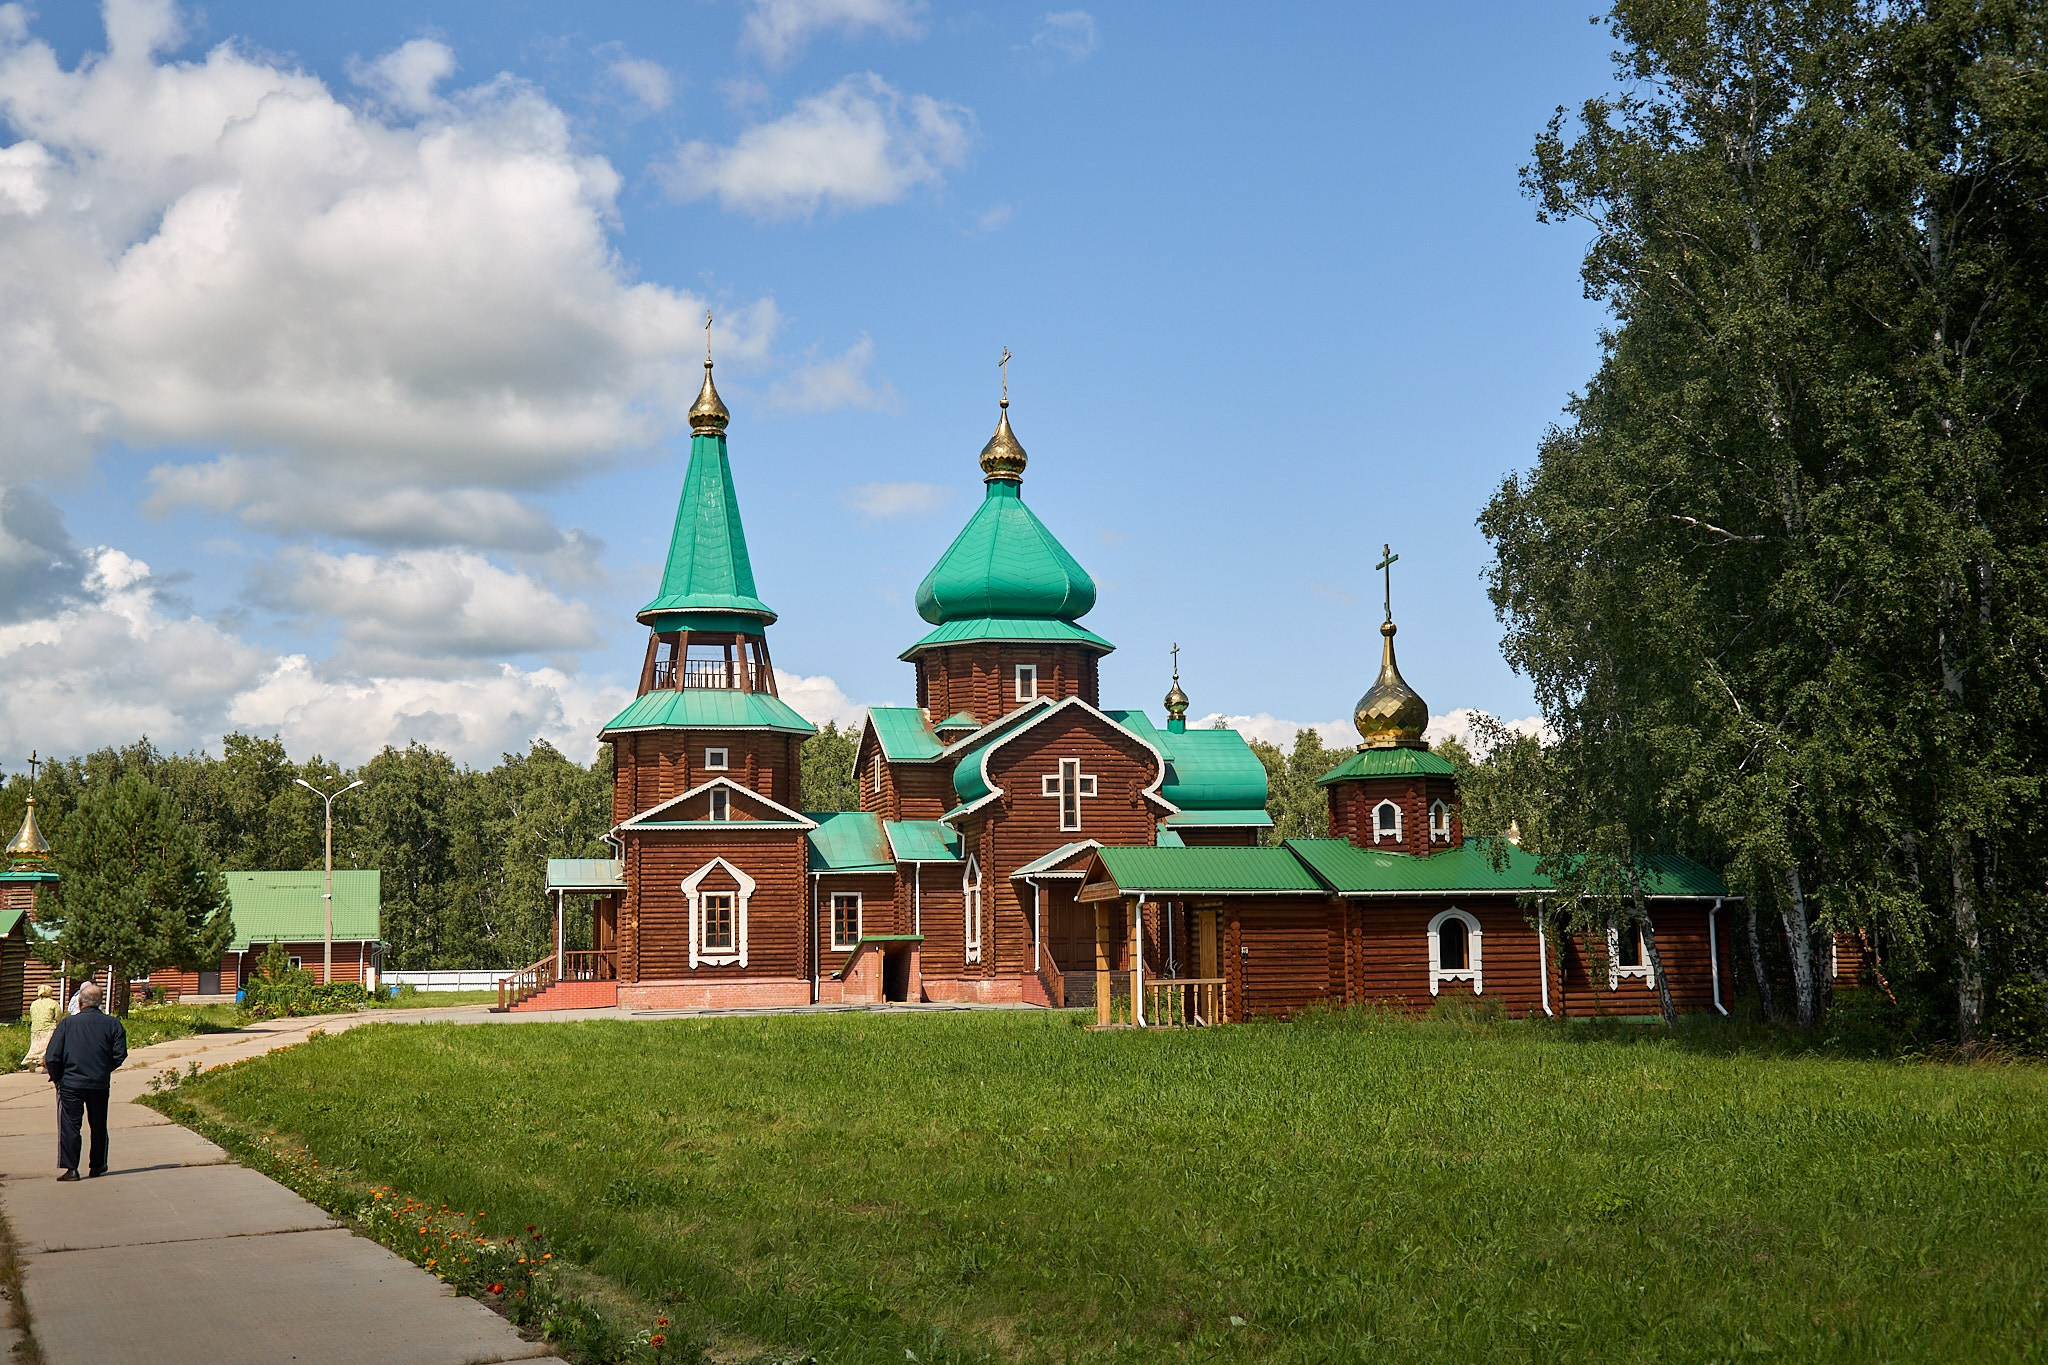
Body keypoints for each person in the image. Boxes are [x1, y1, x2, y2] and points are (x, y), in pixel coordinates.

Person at [42, 980, 126, 1181]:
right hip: (98, 1082)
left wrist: (57, 1078)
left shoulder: (67, 1024)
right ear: (99, 1002)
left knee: (70, 1125)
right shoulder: (112, 1023)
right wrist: (104, 1070)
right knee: (98, 1124)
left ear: (80, 1002)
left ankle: (71, 1168)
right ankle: (98, 1164)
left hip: (71, 1082)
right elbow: (119, 1054)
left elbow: (52, 1056)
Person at [20, 984, 58, 1071]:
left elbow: (31, 1014)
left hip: (35, 1028)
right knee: (46, 1047)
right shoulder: (53, 1003)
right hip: (48, 1028)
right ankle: (44, 1065)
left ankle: (32, 1061)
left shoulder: (34, 1003)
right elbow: (57, 1016)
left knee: (35, 1046)